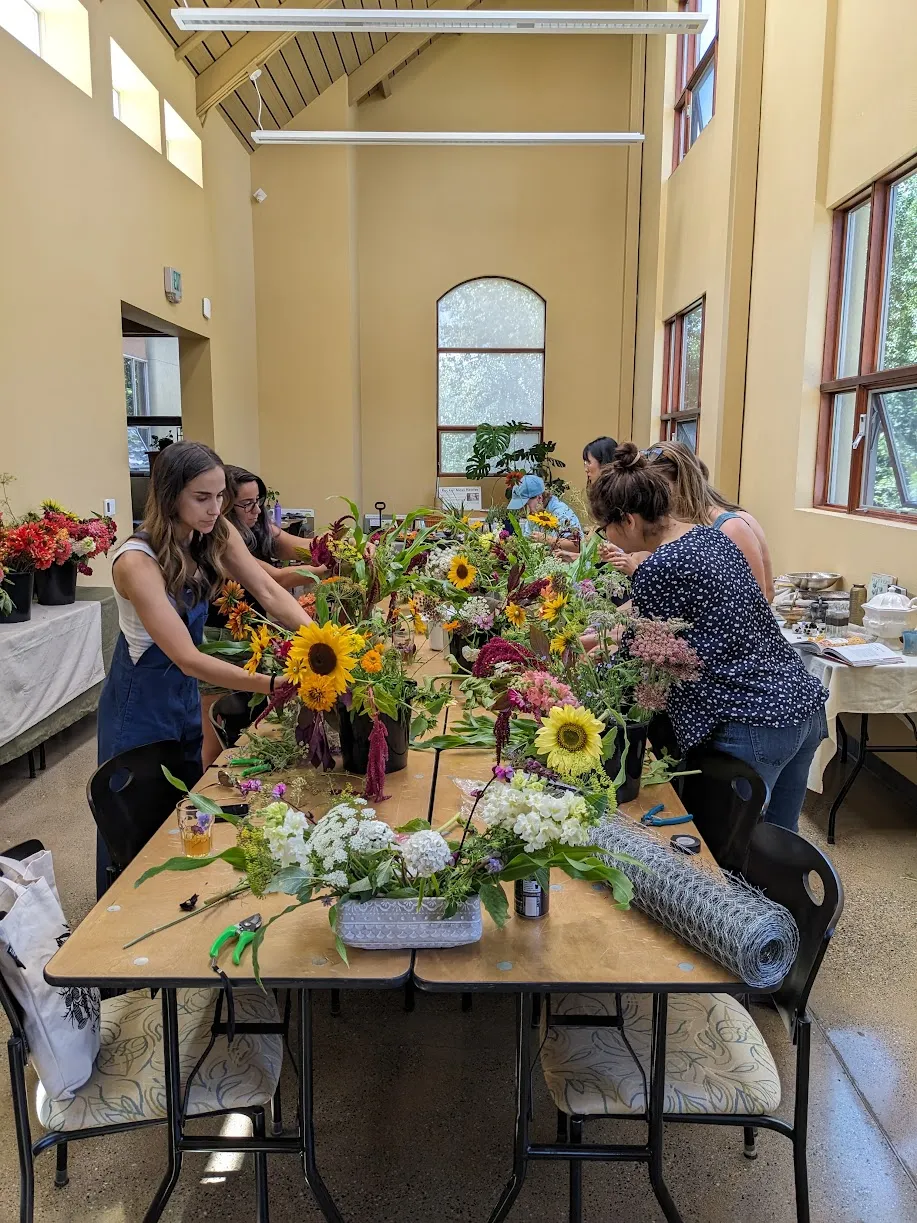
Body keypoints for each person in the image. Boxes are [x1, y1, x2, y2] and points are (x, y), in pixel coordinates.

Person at [96, 442, 312, 895]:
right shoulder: (136, 561)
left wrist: (319, 644)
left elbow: (270, 596)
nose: (216, 509)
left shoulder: (214, 533)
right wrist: (273, 683)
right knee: (136, 823)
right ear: (170, 494)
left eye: (220, 498)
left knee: (186, 807)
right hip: (141, 702)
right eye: (202, 497)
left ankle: (178, 903)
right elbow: (187, 657)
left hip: (182, 697)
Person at [588, 444, 827, 832]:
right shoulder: (709, 538)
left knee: (729, 854)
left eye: (606, 529)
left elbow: (644, 658)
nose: (607, 538)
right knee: (779, 845)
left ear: (629, 520)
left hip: (753, 720)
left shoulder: (661, 566)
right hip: (800, 705)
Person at [600, 441, 771, 598]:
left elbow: (760, 598)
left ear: (682, 482)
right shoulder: (663, 531)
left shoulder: (730, 527)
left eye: (657, 485)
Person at [225, 466, 325, 590]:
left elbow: (299, 547)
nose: (257, 510)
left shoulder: (258, 527)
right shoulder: (221, 546)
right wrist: (329, 568)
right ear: (225, 507)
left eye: (257, 500)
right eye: (247, 503)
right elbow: (276, 579)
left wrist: (331, 544)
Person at [507, 474, 581, 535]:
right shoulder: (534, 513)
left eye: (526, 504)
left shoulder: (561, 513)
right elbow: (527, 537)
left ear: (539, 498)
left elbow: (577, 546)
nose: (524, 510)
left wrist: (547, 540)